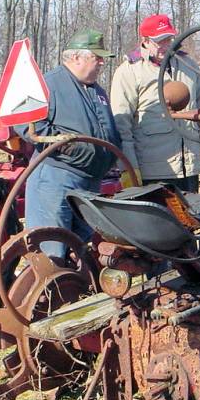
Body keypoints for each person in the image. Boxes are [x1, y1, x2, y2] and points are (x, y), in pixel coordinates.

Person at [15, 30, 121, 259]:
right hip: (55, 179)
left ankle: (77, 279)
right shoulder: (48, 84)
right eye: (97, 57)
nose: (102, 62)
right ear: (76, 57)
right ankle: (54, 280)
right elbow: (24, 124)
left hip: (90, 183)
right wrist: (71, 148)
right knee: (51, 249)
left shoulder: (97, 91)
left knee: (81, 250)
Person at [110, 14, 200, 192]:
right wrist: (128, 167)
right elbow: (121, 124)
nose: (166, 45)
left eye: (168, 39)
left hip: (189, 169)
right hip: (153, 171)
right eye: (159, 41)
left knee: (192, 211)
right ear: (145, 41)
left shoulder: (188, 66)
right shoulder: (129, 72)